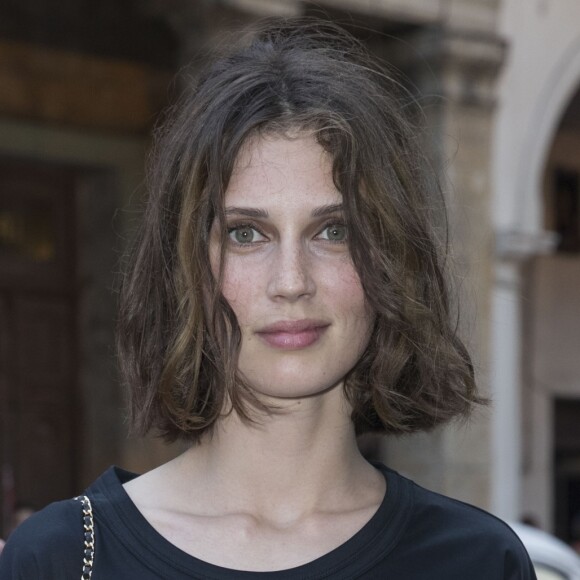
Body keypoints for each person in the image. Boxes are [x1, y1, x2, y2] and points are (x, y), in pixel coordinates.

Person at [0, 18, 536, 579]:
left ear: (390, 258)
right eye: (245, 233)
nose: (290, 281)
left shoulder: (476, 561)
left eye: (334, 231)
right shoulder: (59, 559)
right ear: (185, 267)